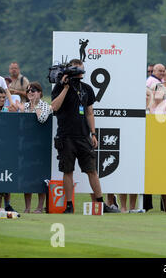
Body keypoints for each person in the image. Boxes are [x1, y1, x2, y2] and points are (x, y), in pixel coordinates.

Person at [51, 58, 117, 214]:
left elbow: (89, 112)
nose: (79, 74)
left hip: (83, 136)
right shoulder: (59, 87)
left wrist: (93, 133)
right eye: (75, 70)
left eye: (81, 70)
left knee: (92, 170)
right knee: (67, 171)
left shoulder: (87, 88)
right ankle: (69, 205)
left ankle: (101, 204)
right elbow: (54, 107)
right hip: (65, 135)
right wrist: (65, 87)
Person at [20, 82, 52, 213]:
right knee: (27, 177)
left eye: (33, 90)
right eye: (28, 91)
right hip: (26, 144)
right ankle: (27, 207)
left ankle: (39, 207)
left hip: (41, 145)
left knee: (40, 178)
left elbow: (42, 119)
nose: (30, 92)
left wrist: (35, 106)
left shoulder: (46, 105)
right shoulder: (25, 106)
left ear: (40, 92)